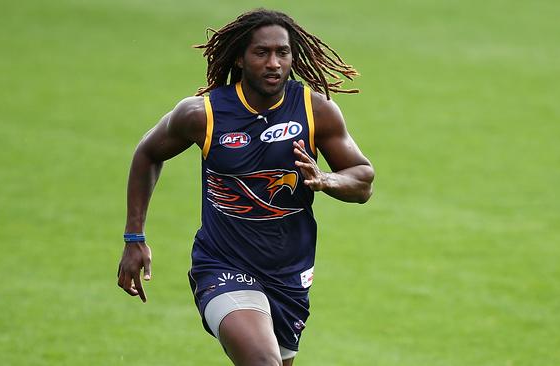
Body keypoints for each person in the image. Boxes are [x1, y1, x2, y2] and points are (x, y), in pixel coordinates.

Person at [117, 8, 374, 366]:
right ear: (239, 58)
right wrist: (134, 237)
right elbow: (147, 153)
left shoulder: (316, 110)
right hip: (222, 264)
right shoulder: (202, 115)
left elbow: (363, 179)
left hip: (289, 275)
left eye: (282, 53)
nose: (273, 63)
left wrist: (326, 178)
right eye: (261, 52)